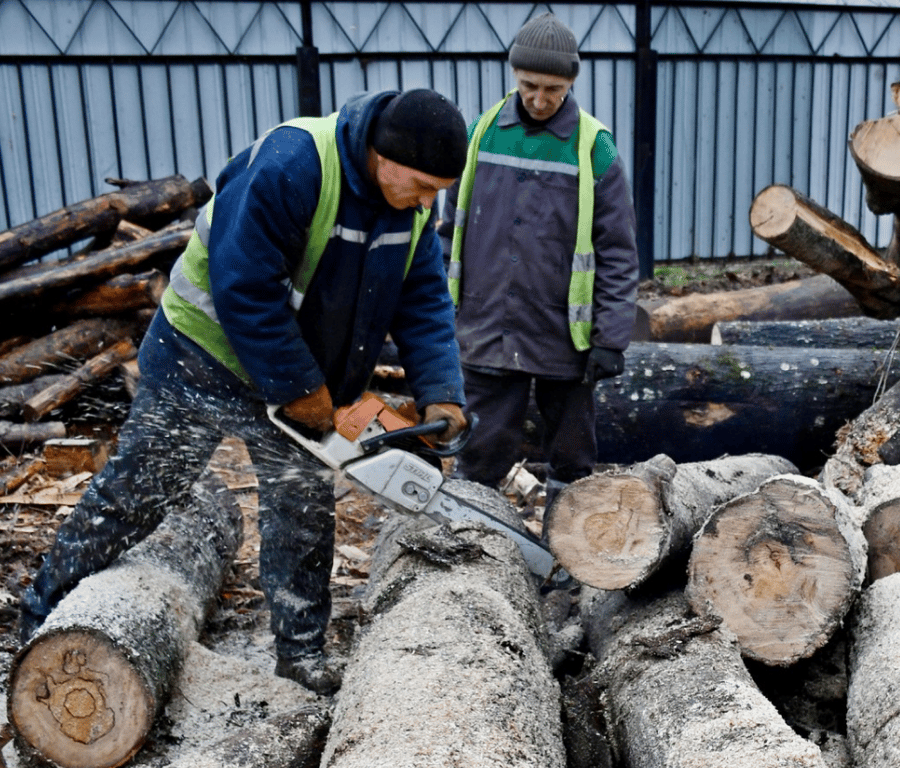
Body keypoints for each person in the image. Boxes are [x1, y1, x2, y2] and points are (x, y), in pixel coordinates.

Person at [19, 88, 471, 696]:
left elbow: (423, 301)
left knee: (303, 509)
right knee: (138, 493)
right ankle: (44, 616)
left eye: (438, 190)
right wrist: (302, 386)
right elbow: (245, 287)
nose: (428, 201)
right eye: (421, 184)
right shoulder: (294, 164)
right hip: (201, 356)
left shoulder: (409, 207)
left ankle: (302, 655)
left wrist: (441, 388)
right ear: (379, 153)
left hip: (297, 372)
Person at [441, 12, 638, 507]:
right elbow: (448, 233)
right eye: (529, 85)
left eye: (553, 88)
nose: (540, 98)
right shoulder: (480, 135)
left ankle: (571, 568)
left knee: (572, 457)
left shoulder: (596, 149)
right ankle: (472, 545)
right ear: (513, 75)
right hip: (486, 329)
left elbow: (617, 250)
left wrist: (610, 337)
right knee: (480, 453)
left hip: (563, 338)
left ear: (572, 81)